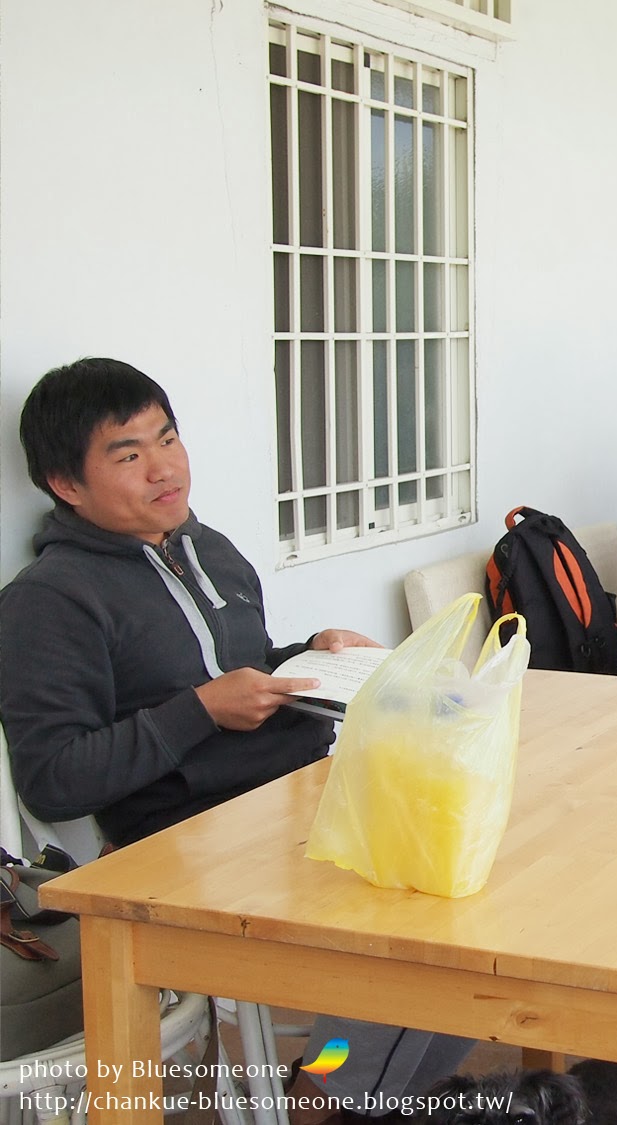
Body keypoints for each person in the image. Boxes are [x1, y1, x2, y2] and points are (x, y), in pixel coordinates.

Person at [0, 358, 463, 1123]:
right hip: (186, 846)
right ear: (65, 483)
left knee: (477, 871)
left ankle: (337, 1088)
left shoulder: (206, 547)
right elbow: (53, 778)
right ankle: (327, 1100)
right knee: (432, 922)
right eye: (129, 454)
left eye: (168, 438)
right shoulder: (48, 601)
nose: (164, 468)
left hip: (294, 797)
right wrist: (200, 713)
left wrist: (312, 654)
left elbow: (230, 667)